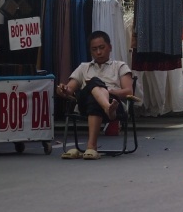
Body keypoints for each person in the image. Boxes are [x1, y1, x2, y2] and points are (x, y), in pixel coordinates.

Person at [57, 31, 133, 160]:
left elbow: (129, 92)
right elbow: (69, 89)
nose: (98, 52)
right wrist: (62, 89)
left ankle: (92, 146)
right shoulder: (83, 67)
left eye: (102, 48)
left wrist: (107, 91)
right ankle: (107, 109)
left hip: (114, 102)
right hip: (86, 106)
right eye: (94, 49)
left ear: (110, 47)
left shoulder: (120, 66)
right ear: (90, 51)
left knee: (94, 94)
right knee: (93, 83)